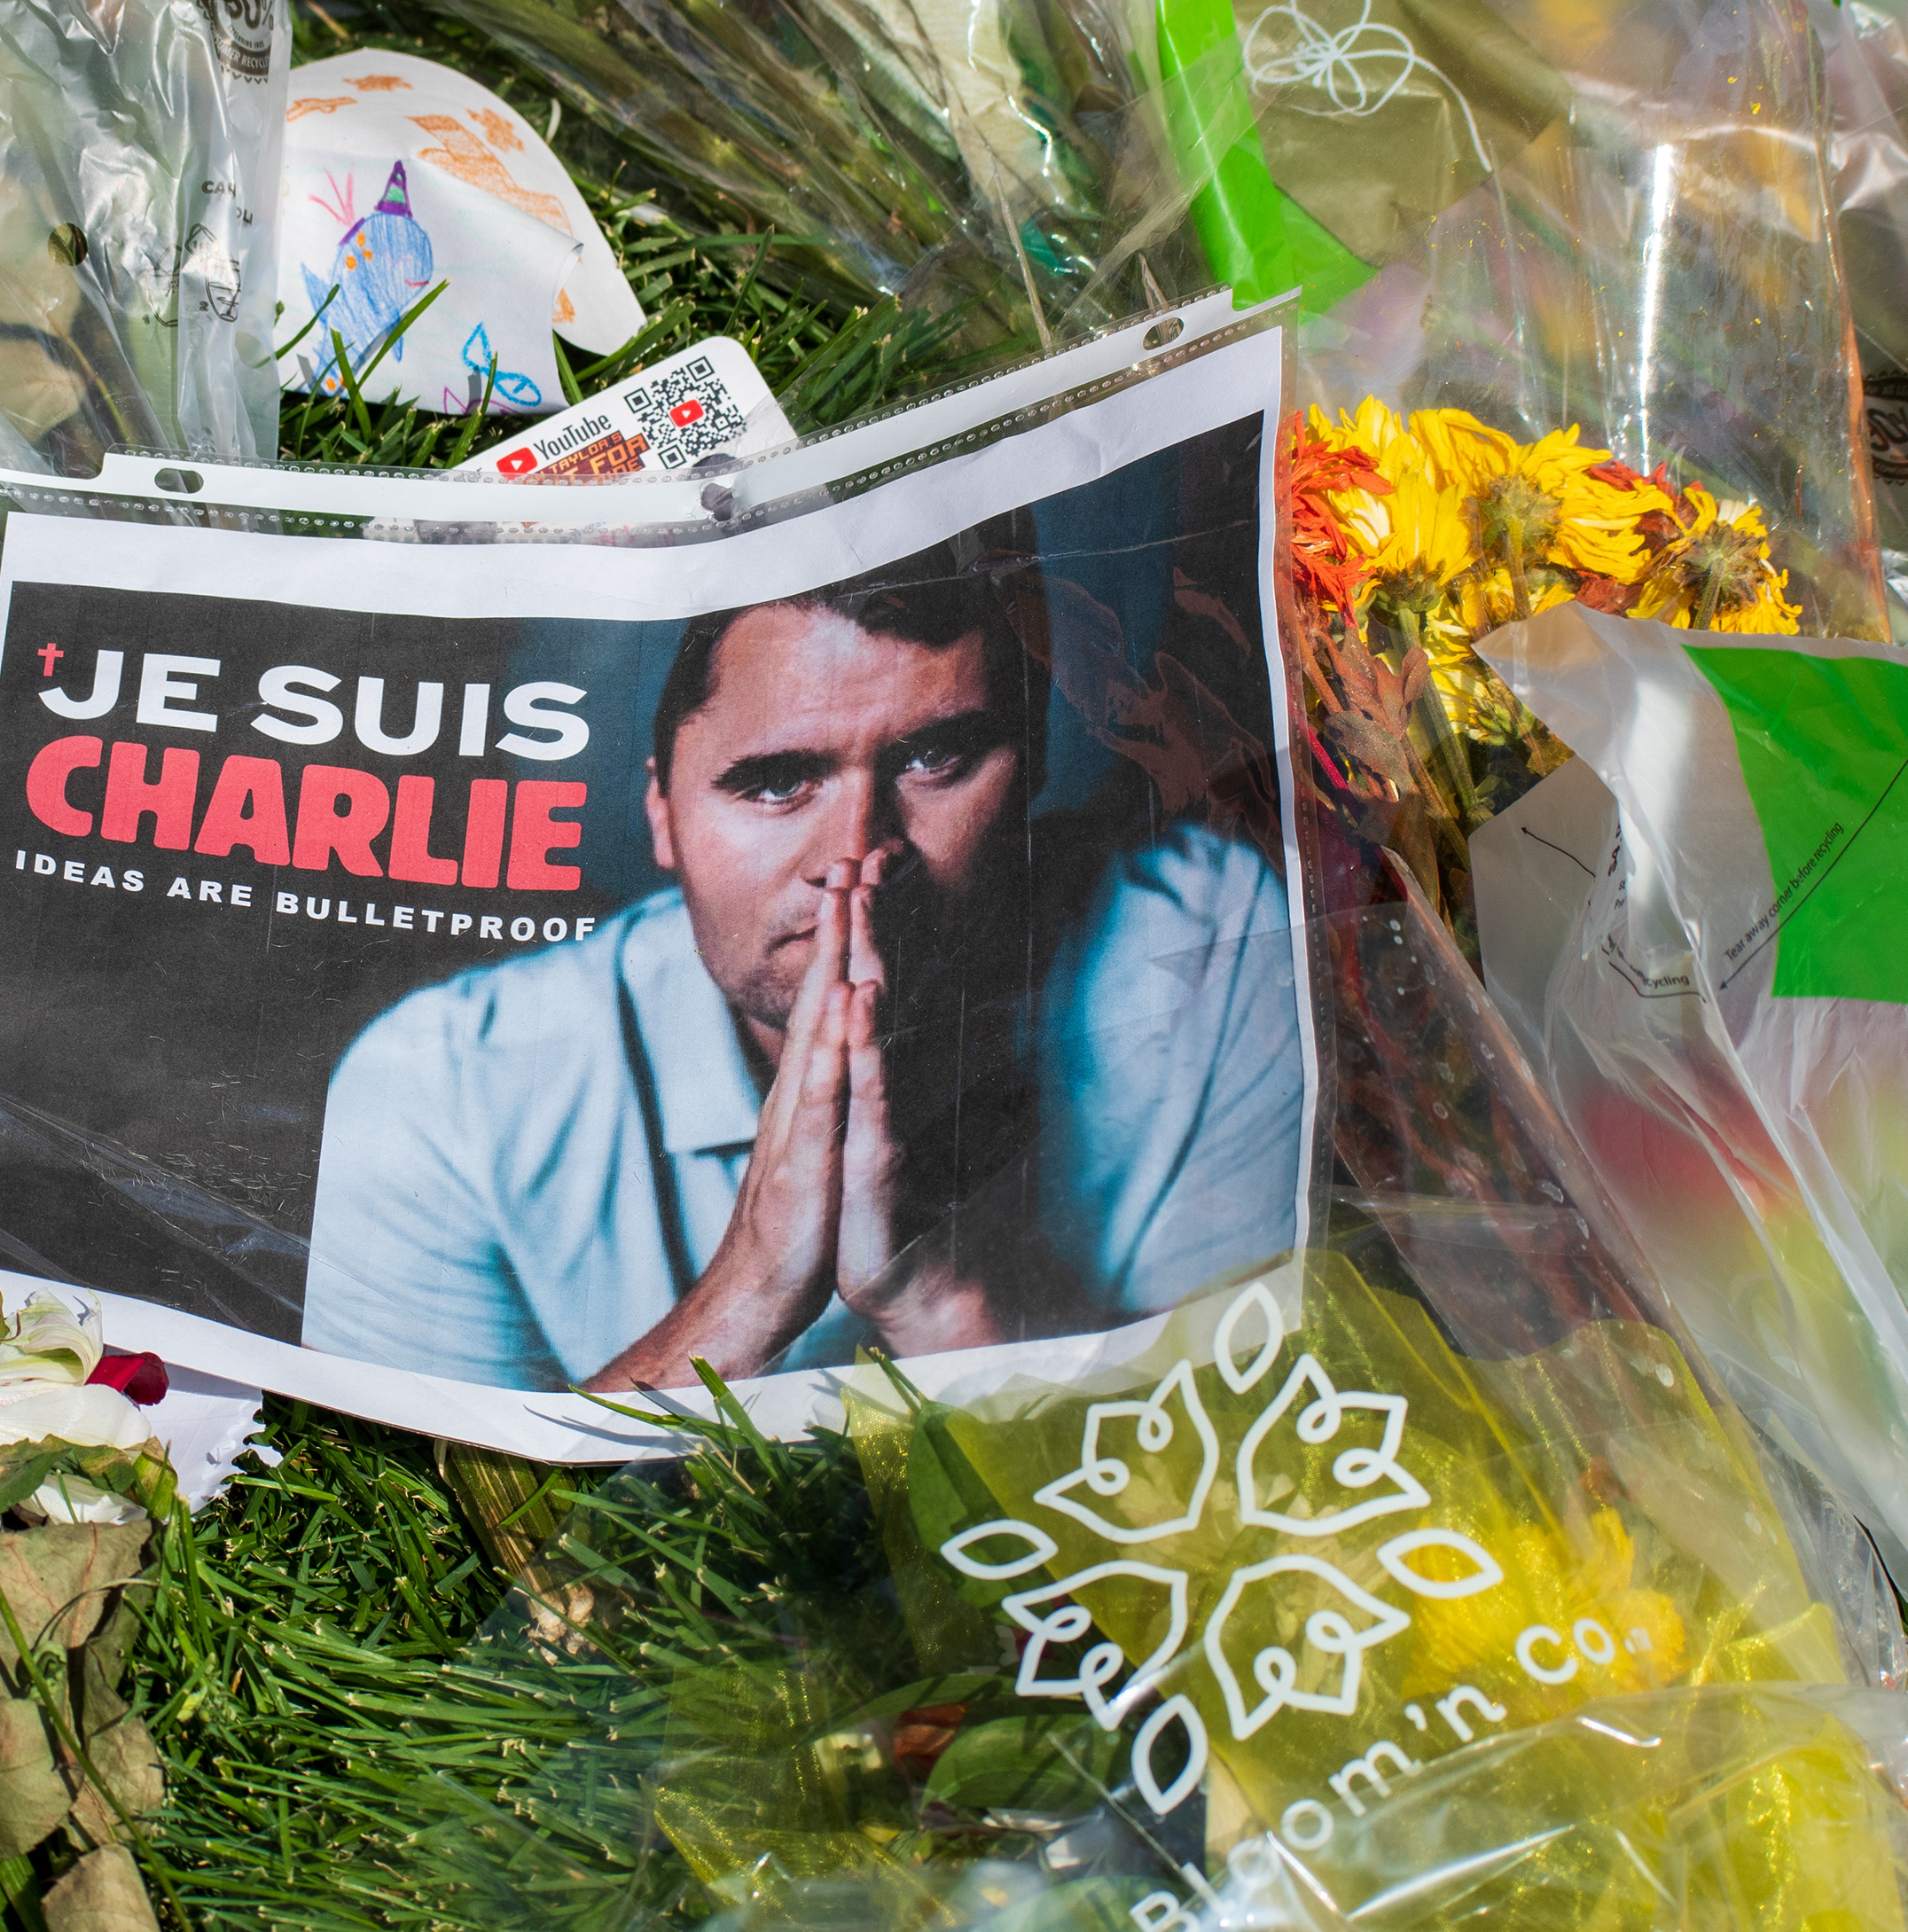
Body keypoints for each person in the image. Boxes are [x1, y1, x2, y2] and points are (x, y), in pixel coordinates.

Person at [298, 540, 1306, 1391]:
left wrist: (936, 1293)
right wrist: (748, 1289)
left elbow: (1237, 1491)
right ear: (663, 811)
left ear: (1035, 763)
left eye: (934, 760)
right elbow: (449, 1579)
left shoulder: (1203, 945)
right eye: (778, 782)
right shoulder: (440, 1095)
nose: (855, 853)